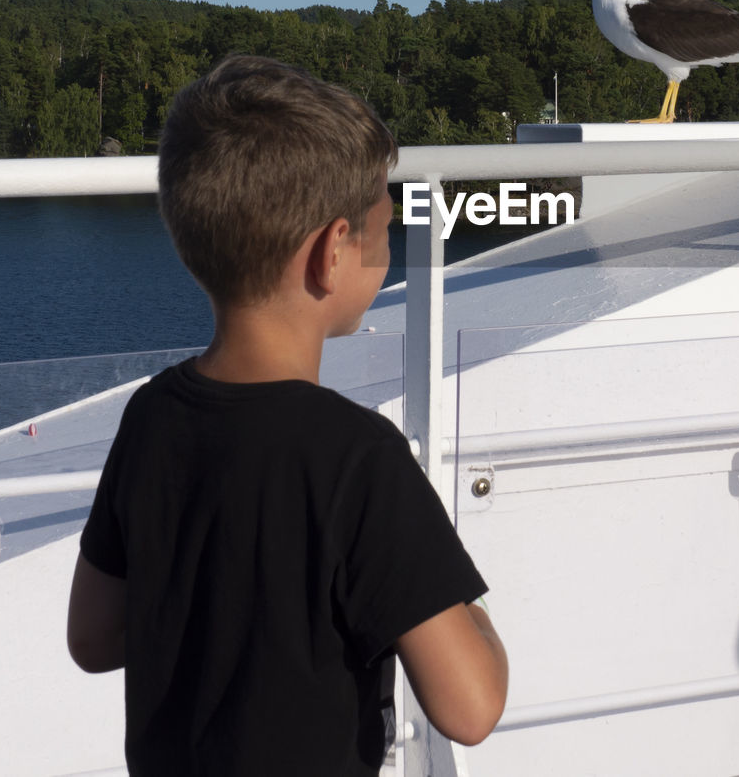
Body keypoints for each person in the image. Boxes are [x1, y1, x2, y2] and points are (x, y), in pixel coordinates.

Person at [66, 55, 507, 775]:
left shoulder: (150, 417)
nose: (390, 250)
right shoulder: (359, 457)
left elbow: (93, 636)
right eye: (384, 229)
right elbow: (471, 705)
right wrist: (473, 616)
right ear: (333, 252)